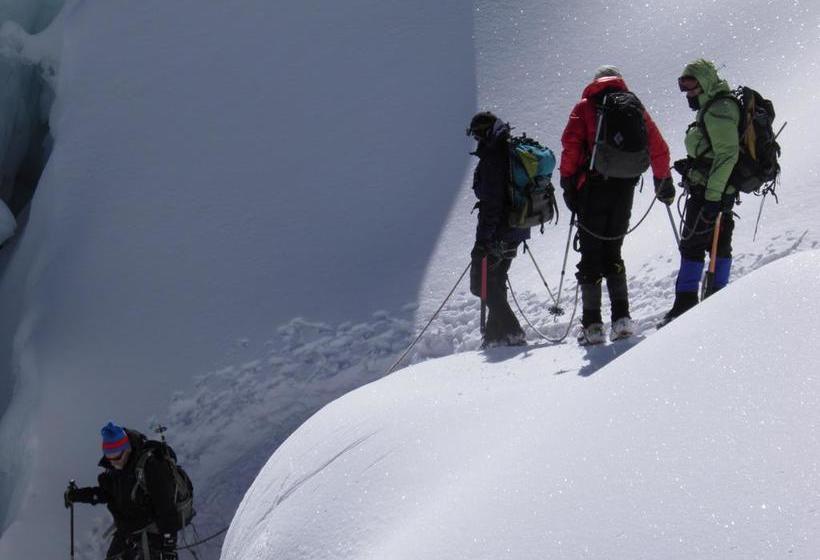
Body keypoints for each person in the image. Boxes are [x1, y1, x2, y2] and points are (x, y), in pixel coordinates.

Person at [560, 65, 672, 344]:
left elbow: (570, 146)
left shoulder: (585, 107)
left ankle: (593, 326)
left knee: (591, 255)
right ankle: (622, 320)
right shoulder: (634, 106)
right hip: (624, 189)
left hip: (593, 189)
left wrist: (567, 184)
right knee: (613, 252)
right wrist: (663, 181)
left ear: (595, 81)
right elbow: (659, 147)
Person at [661, 59, 740, 325]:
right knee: (718, 245)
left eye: (691, 85)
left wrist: (712, 199)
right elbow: (716, 151)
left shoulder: (718, 109)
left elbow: (727, 155)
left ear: (705, 82)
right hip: (717, 190)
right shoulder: (715, 106)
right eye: (683, 86)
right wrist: (693, 165)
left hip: (711, 193)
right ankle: (717, 301)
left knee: (693, 245)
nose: (687, 92)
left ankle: (685, 308)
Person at [64, 422, 180, 560]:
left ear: (128, 449)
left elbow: (166, 508)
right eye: (109, 456)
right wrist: (77, 495)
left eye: (117, 455)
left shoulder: (151, 467)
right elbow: (106, 493)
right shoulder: (114, 470)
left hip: (153, 532)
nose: (113, 461)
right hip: (128, 531)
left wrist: (168, 546)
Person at [466, 111, 528, 348]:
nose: (476, 140)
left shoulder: (493, 158)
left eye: (476, 135)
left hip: (498, 231)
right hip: (517, 226)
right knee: (496, 279)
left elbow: (492, 205)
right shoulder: (507, 148)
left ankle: (512, 330)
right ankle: (495, 335)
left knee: (480, 283)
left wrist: (482, 241)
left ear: (484, 133)